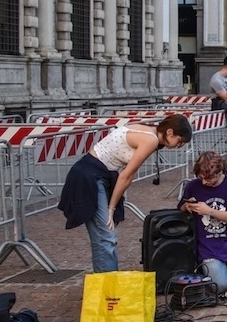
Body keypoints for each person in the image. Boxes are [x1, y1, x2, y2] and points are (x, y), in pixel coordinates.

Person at [59, 114, 192, 273]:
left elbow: (126, 174)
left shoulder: (149, 131)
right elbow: (126, 175)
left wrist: (112, 206)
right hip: (91, 176)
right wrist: (111, 208)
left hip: (97, 173)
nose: (179, 146)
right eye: (179, 141)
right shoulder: (151, 140)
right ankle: (109, 287)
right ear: (170, 132)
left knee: (106, 235)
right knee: (105, 236)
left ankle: (110, 280)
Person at [178, 151, 227, 295]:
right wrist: (187, 206)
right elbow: (181, 206)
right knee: (219, 286)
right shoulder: (193, 186)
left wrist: (208, 210)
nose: (204, 182)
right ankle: (219, 271)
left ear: (220, 172)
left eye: (209, 178)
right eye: (201, 178)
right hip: (208, 246)